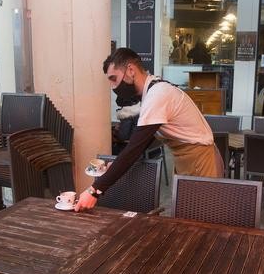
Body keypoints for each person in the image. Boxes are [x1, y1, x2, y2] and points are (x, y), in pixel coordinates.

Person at [75, 47, 223, 211]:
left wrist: (94, 190)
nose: (113, 86)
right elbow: (141, 143)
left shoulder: (157, 95)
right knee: (187, 215)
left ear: (130, 70)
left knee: (200, 218)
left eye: (114, 78)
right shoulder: (153, 90)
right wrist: (116, 164)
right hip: (188, 158)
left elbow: (135, 148)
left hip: (199, 159)